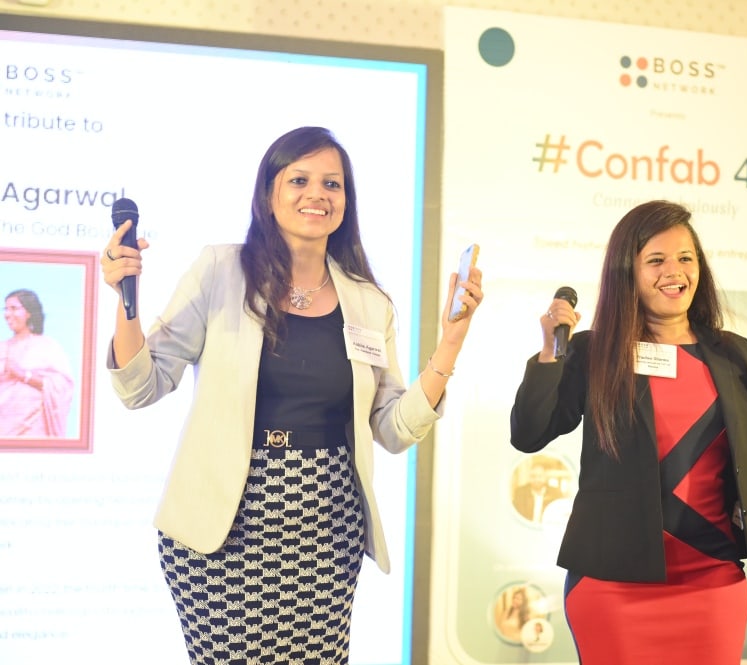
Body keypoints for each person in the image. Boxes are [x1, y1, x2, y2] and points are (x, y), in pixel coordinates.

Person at [101, 126, 483, 664]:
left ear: (346, 201)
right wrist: (126, 300)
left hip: (327, 526)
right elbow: (142, 387)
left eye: (332, 183)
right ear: (269, 194)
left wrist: (450, 342)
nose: (317, 194)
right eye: (299, 180)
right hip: (224, 528)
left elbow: (394, 428)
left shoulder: (369, 302)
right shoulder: (220, 270)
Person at [510, 200, 747, 664]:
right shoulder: (595, 351)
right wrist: (550, 353)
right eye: (656, 260)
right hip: (613, 584)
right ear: (627, 273)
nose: (674, 271)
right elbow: (529, 433)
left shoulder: (731, 353)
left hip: (712, 582)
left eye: (685, 258)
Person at [1, 289, 74, 437]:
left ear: (29, 312)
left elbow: (62, 386)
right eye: (6, 309)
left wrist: (23, 375)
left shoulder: (46, 346)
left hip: (33, 431)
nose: (7, 314)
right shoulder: (2, 347)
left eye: (14, 308)